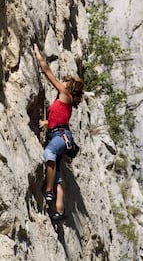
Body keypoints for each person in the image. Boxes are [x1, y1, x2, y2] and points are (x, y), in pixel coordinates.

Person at [34, 43, 85, 221]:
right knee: (58, 175)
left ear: (69, 87)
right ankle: (60, 210)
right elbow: (58, 120)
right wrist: (46, 122)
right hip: (61, 135)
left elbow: (48, 73)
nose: (62, 82)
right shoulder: (66, 102)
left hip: (60, 137)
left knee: (48, 152)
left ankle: (48, 191)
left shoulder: (64, 93)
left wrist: (38, 57)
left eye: (66, 82)